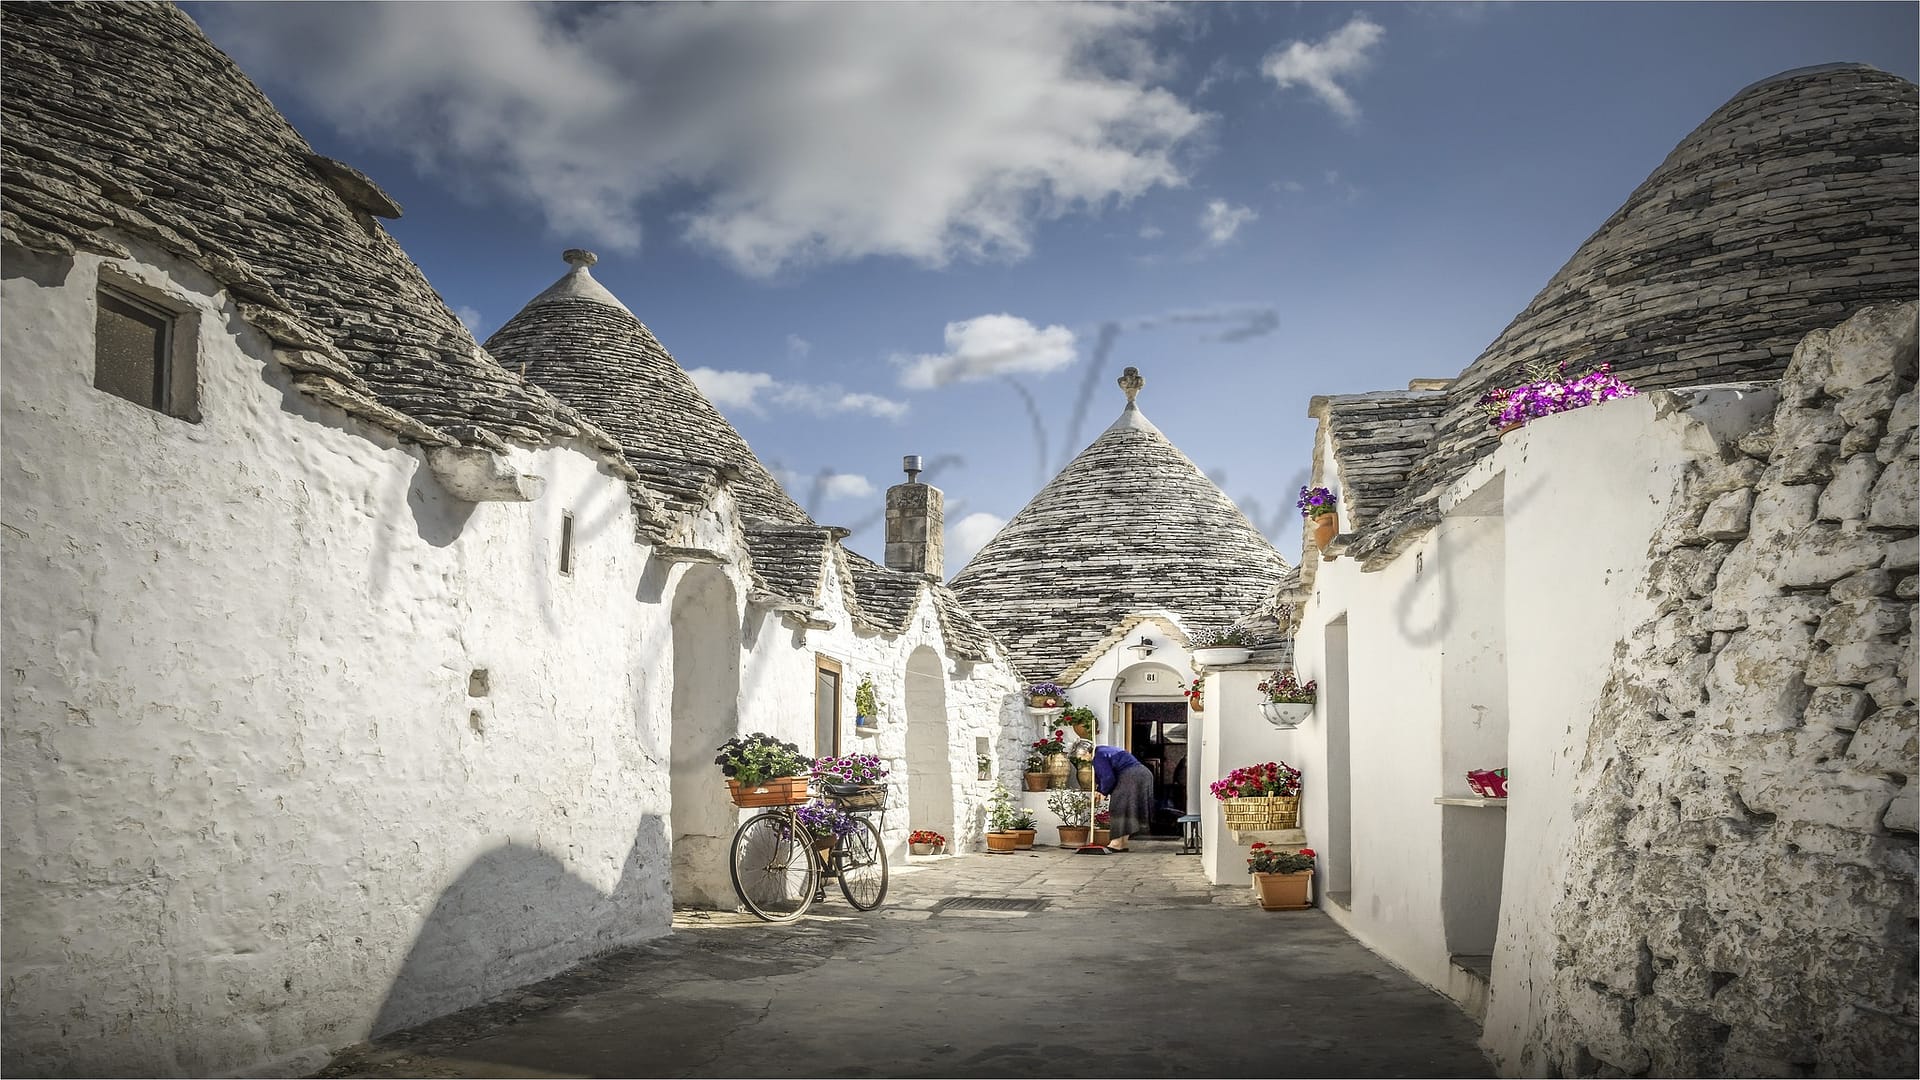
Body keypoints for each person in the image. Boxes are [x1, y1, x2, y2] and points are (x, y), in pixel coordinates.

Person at [1091, 744, 1154, 852]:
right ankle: (1122, 842)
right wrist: (1100, 789)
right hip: (1141, 774)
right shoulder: (1103, 750)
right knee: (1128, 809)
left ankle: (1116, 843)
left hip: (1132, 776)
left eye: (1081, 756)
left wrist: (1102, 791)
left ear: (1086, 752)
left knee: (1118, 807)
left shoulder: (1098, 755)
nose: (1081, 759)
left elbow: (1108, 777)